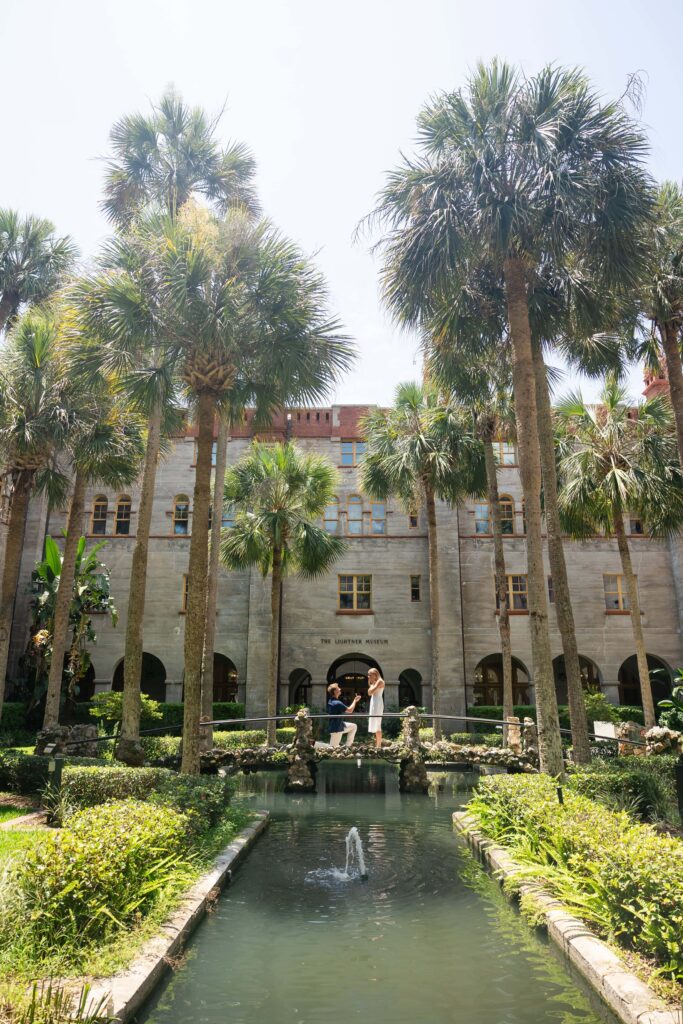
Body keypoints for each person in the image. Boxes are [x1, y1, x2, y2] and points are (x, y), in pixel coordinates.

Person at [327, 682, 360, 747]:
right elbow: (350, 710)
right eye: (338, 688)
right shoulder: (337, 703)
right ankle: (315, 744)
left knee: (353, 726)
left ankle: (347, 747)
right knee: (332, 748)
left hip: (340, 725)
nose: (340, 689)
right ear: (335, 691)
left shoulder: (331, 701)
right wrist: (355, 701)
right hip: (336, 728)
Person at [367, 667, 385, 749]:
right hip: (374, 702)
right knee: (375, 724)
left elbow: (370, 692)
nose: (368, 676)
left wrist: (371, 685)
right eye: (368, 675)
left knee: (377, 724)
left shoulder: (380, 681)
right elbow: (370, 692)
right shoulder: (374, 682)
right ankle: (377, 745)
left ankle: (379, 746)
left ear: (375, 675)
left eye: (370, 675)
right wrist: (371, 684)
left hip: (377, 703)